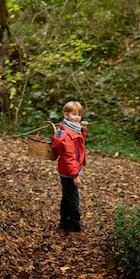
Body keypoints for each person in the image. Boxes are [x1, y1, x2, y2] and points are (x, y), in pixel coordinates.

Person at [52, 100, 88, 235]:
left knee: (67, 197)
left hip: (65, 169)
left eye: (79, 114)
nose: (77, 117)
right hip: (69, 170)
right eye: (74, 114)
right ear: (66, 115)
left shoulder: (68, 129)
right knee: (73, 199)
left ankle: (64, 224)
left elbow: (78, 140)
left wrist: (83, 130)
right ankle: (74, 228)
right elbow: (69, 156)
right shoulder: (67, 135)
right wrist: (75, 175)